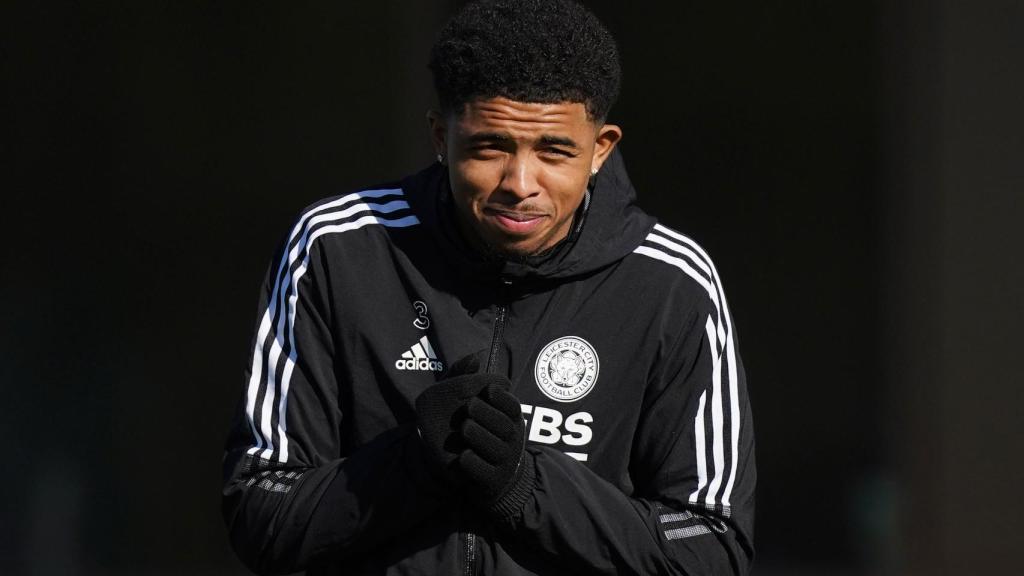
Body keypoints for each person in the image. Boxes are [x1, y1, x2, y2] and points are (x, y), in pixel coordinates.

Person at [221, 0, 756, 574]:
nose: (519, 184)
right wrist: (417, 462)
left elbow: (711, 547)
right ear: (439, 137)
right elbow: (261, 512)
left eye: (554, 150)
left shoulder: (671, 282)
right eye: (489, 148)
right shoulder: (337, 249)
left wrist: (526, 485)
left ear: (601, 149)